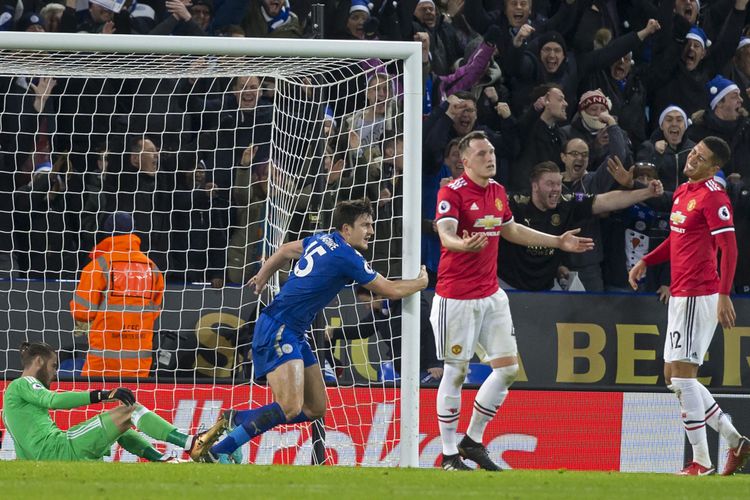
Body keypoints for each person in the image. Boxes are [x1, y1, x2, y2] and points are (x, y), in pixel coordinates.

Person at [197, 199, 429, 462]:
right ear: (346, 228)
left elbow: (284, 250)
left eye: (372, 224)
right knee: (290, 406)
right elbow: (390, 290)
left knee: (316, 408)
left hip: (294, 331)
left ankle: (235, 419)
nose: (371, 231)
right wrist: (421, 282)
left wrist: (263, 275)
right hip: (279, 327)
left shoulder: (321, 239)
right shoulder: (347, 255)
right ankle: (218, 451)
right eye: (365, 225)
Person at [431, 130, 594, 471]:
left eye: (491, 151)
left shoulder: (497, 191)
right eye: (481, 154)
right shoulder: (452, 191)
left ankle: (472, 441)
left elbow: (511, 230)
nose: (490, 157)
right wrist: (461, 245)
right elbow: (444, 230)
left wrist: (556, 242)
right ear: (465, 162)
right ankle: (447, 455)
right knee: (456, 372)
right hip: (457, 297)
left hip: (492, 295)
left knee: (507, 370)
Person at [628, 136, 750, 476]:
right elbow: (676, 238)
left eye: (702, 157)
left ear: (714, 167)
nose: (693, 159)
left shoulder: (714, 197)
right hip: (680, 294)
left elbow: (730, 248)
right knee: (673, 375)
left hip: (700, 293)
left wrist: (724, 294)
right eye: (693, 152)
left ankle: (701, 462)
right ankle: (736, 441)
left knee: (682, 378)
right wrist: (646, 262)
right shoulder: (683, 192)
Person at [2, 342, 222, 462]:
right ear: (39, 361)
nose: (55, 373)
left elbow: (24, 452)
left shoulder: (9, 409)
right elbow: (52, 400)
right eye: (53, 366)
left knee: (119, 428)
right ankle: (192, 443)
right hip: (61, 448)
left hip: (48, 460)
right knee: (129, 411)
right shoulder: (23, 384)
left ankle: (166, 461)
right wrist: (103, 394)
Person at [70, 212, 165, 379]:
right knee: (133, 403)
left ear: (107, 233)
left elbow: (82, 312)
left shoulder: (99, 266)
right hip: (138, 360)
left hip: (103, 360)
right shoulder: (152, 267)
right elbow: (155, 311)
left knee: (96, 403)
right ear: (133, 232)